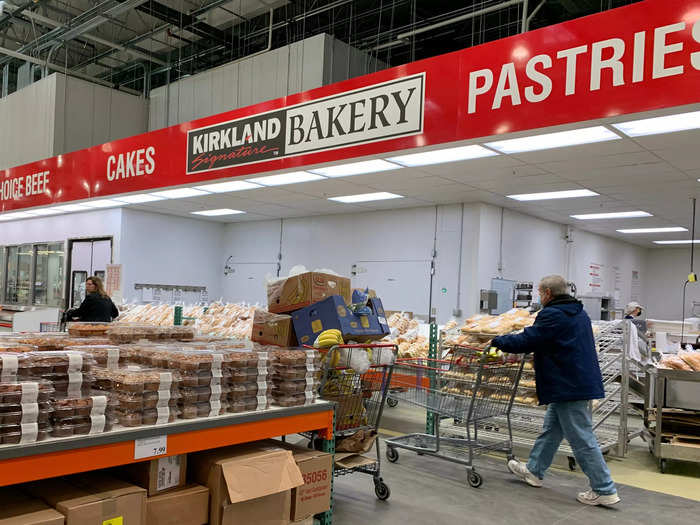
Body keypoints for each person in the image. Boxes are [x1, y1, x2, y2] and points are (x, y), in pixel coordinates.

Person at [491, 275, 619, 507]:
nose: (539, 297)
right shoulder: (578, 313)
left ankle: (604, 488)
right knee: (551, 429)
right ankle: (534, 471)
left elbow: (530, 339)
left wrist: (497, 341)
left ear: (548, 293)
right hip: (575, 381)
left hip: (569, 385)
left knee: (581, 437)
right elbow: (555, 342)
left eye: (540, 293)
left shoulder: (552, 314)